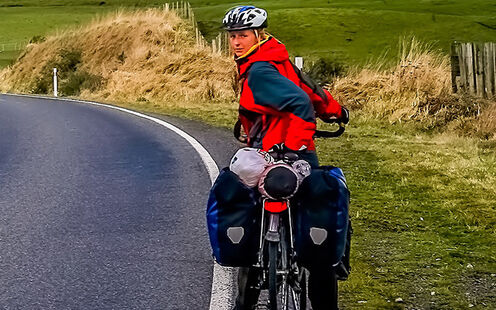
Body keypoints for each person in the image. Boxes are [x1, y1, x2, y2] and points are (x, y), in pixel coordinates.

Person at [223, 5, 349, 310]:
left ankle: (244, 302)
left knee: (254, 220)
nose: (237, 42)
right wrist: (335, 111)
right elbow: (310, 90)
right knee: (316, 212)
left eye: (243, 35)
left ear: (258, 35)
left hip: (273, 154)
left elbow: (300, 101)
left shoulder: (260, 69)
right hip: (302, 154)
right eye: (233, 36)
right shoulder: (277, 58)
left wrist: (290, 147)